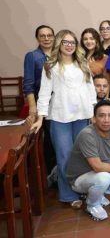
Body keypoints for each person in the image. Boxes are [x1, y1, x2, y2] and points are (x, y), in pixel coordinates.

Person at [31, 29, 96, 208]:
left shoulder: (82, 64)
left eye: (72, 42)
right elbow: (44, 94)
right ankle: (68, 194)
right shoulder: (50, 66)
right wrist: (40, 118)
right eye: (65, 42)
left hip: (82, 116)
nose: (69, 45)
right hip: (60, 117)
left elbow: (91, 90)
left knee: (83, 156)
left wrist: (93, 113)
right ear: (59, 44)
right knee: (64, 156)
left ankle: (82, 189)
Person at [23, 25, 56, 174]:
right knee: (48, 139)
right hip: (42, 102)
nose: (46, 38)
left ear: (54, 37)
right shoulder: (32, 56)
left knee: (57, 137)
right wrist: (32, 107)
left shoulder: (58, 54)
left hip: (59, 102)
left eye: (49, 35)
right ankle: (50, 174)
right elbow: (28, 84)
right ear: (37, 38)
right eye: (42, 36)